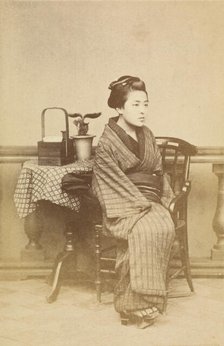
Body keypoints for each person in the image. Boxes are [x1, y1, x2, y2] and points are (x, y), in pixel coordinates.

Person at [92, 75, 175, 329]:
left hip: (150, 198)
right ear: (119, 107)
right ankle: (140, 305)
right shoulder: (107, 142)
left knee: (164, 227)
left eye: (145, 104)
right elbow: (108, 181)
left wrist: (159, 199)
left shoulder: (147, 134)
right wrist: (139, 203)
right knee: (143, 230)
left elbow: (158, 172)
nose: (142, 111)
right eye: (135, 105)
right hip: (124, 203)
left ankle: (132, 305)